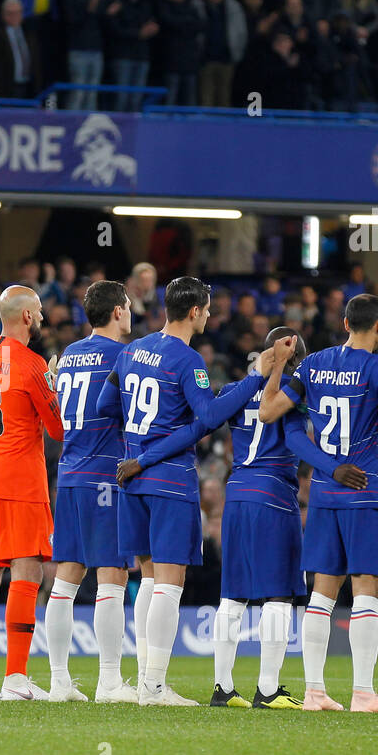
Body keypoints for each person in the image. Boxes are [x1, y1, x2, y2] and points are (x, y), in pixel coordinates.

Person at [105, 277, 269, 706]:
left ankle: (145, 681)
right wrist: (257, 378)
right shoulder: (188, 359)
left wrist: (136, 449)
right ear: (195, 311)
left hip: (132, 478)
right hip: (169, 480)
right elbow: (211, 414)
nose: (210, 315)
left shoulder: (131, 350)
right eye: (208, 308)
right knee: (170, 584)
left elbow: (108, 405)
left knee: (148, 578)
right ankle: (154, 687)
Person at [258, 294, 378, 712]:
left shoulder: (314, 364)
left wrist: (277, 365)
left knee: (322, 593)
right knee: (367, 591)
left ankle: (314, 691)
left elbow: (268, 412)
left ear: (345, 322)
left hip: (325, 494)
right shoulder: (377, 367)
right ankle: (363, 692)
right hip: (364, 491)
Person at [210, 328, 366, 709]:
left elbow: (208, 418)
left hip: (237, 493)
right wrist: (332, 469)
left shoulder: (238, 389)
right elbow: (295, 441)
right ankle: (267, 689)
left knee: (232, 595)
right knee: (278, 593)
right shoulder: (293, 394)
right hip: (273, 498)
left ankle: (222, 688)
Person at [0, 286, 64, 701]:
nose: (41, 318)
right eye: (37, 312)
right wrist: (53, 385)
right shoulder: (33, 364)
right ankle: (16, 677)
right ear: (24, 317)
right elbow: (56, 428)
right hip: (21, 480)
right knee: (28, 572)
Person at [43, 280, 138, 703]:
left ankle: (59, 681)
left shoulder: (69, 356)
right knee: (112, 578)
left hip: (69, 473)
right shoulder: (126, 356)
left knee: (66, 578)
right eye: (130, 306)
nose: (131, 313)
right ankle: (109, 681)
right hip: (106, 474)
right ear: (117, 311)